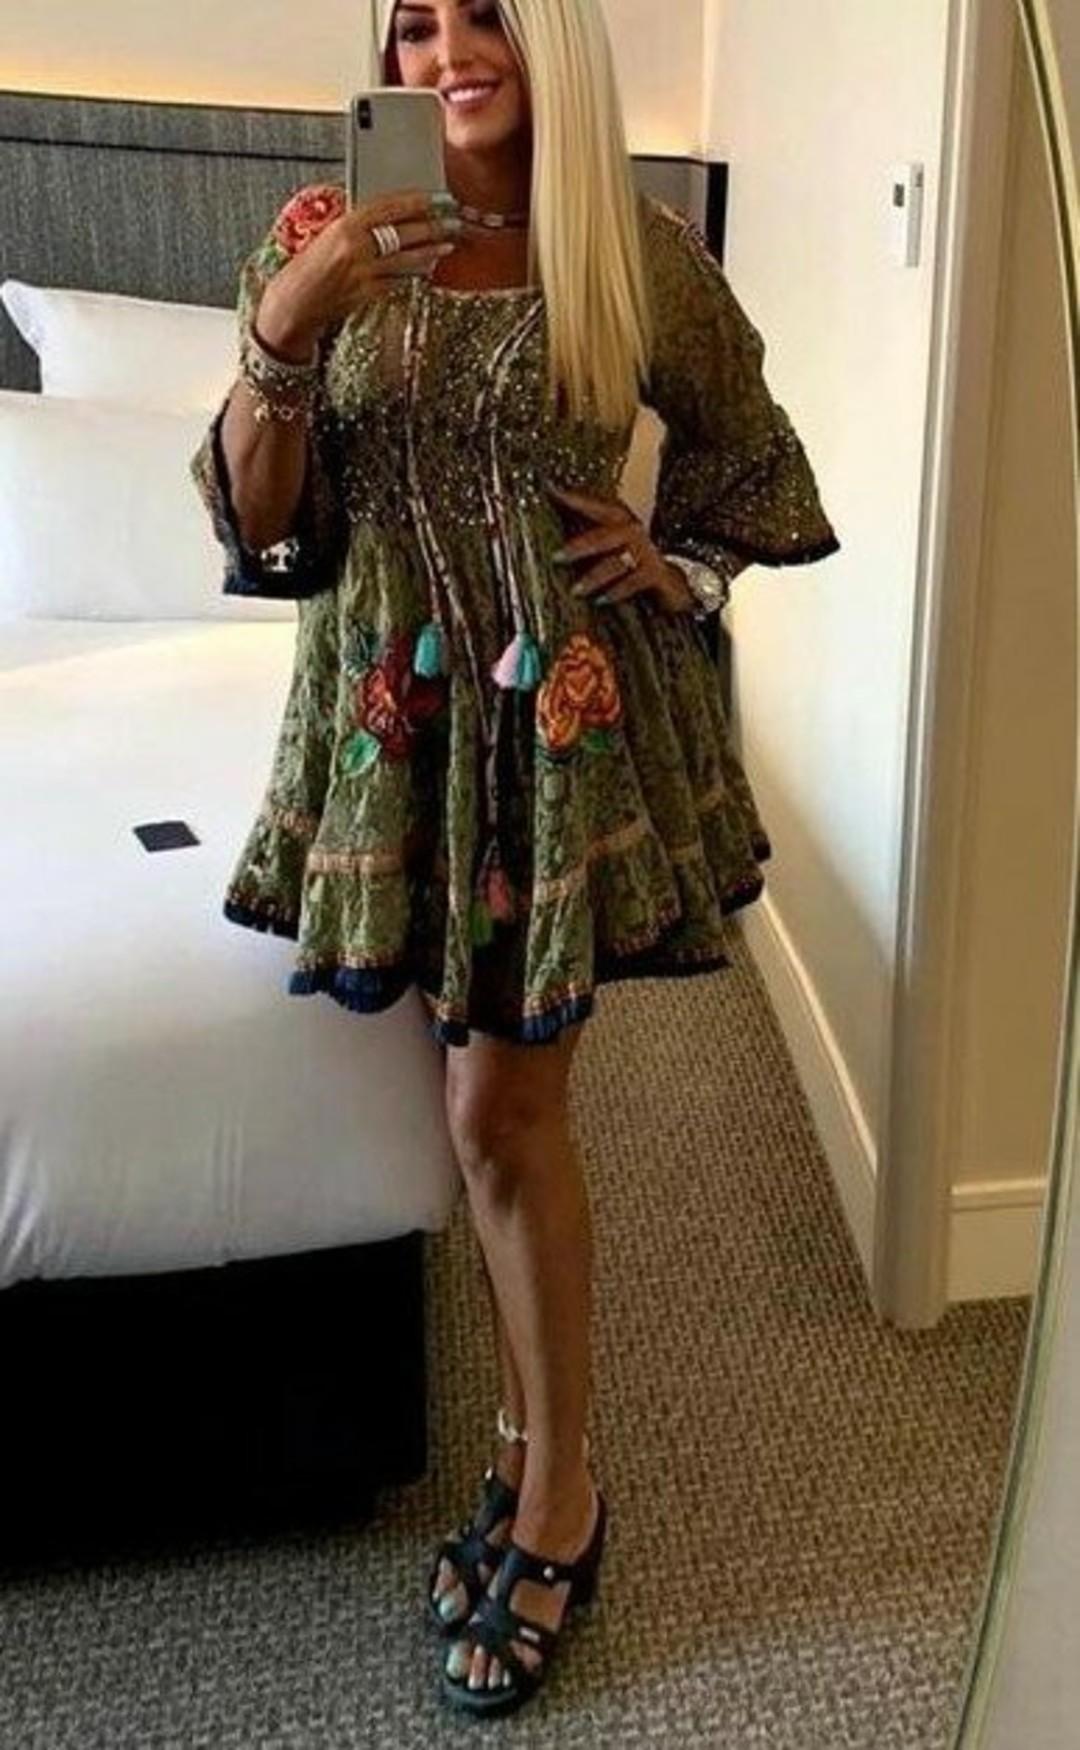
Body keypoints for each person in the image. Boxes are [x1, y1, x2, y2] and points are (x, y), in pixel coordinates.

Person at [191, 0, 841, 1720]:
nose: (448, 51)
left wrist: (680, 565)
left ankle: (560, 1490)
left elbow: (753, 450)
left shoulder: (630, 253)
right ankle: (516, 1426)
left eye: (489, 13)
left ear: (558, 38)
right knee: (475, 1110)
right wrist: (290, 320)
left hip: (546, 734)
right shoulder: (320, 236)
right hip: (390, 734)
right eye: (415, 23)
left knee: (502, 1111)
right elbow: (261, 517)